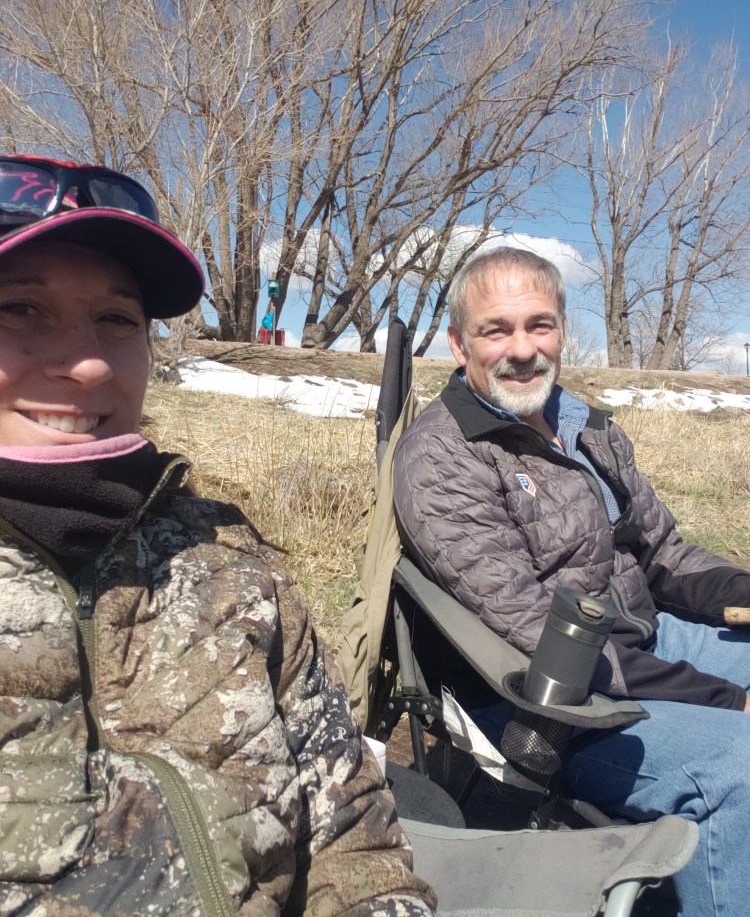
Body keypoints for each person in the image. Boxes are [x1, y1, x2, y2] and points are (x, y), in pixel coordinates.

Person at [0, 155, 436, 916]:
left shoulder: (228, 561)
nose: (90, 364)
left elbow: (356, 842)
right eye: (20, 309)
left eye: (117, 319)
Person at [393, 245, 750, 917]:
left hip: (642, 637)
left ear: (561, 329)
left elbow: (663, 554)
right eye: (496, 330)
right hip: (545, 697)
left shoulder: (584, 427)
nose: (523, 350)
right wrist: (729, 701)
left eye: (540, 325)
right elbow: (533, 631)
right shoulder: (441, 459)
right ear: (459, 344)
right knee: (740, 768)